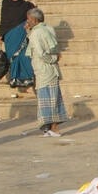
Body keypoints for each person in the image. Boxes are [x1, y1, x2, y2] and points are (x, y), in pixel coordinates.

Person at [25, 8, 66, 137]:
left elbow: (41, 52)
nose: (28, 21)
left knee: (47, 99)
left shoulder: (36, 33)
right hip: (51, 69)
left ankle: (53, 128)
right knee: (52, 98)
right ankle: (49, 128)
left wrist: (52, 59)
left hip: (44, 69)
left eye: (29, 19)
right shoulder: (48, 29)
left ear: (35, 20)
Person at [0, 0, 35, 92]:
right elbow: (3, 21)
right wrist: (0, 36)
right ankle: (14, 78)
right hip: (10, 36)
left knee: (24, 55)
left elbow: (31, 7)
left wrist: (32, 3)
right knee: (13, 57)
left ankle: (28, 78)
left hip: (21, 34)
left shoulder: (23, 4)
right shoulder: (5, 6)